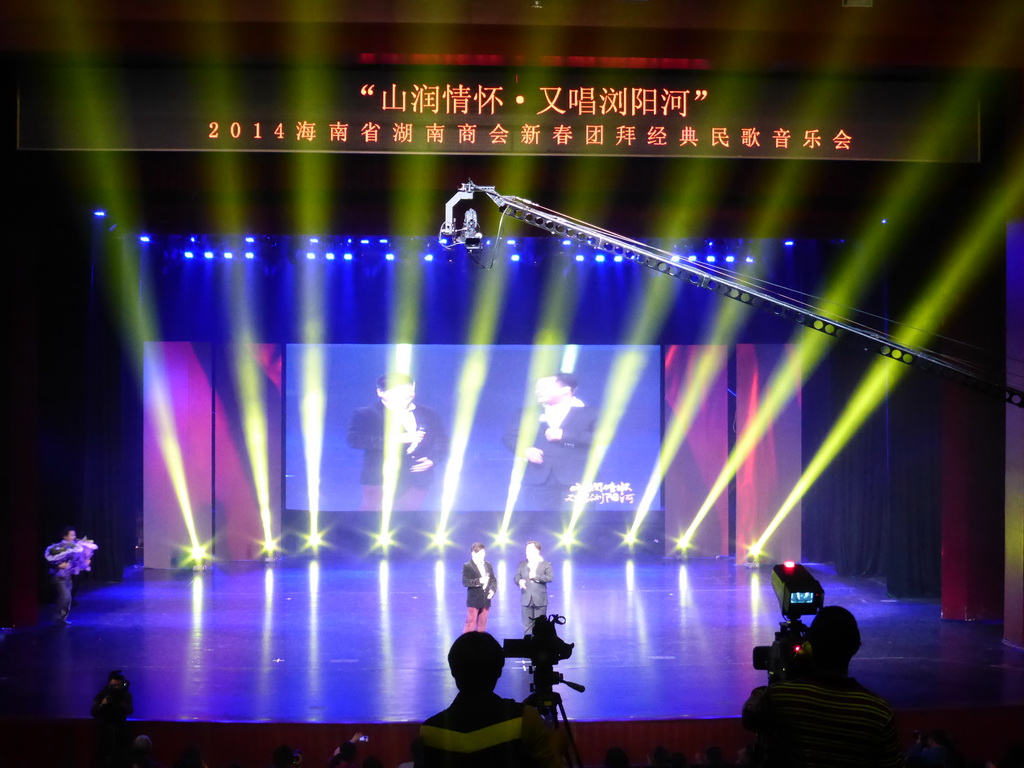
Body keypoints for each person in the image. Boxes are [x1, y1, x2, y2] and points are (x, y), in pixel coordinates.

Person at [741, 605, 901, 768]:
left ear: (809, 646)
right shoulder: (879, 712)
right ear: (854, 648)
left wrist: (769, 687)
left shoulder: (780, 697)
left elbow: (749, 716)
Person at [418, 631, 561, 768]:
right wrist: (556, 748)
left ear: (453, 671)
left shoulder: (430, 731)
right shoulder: (525, 721)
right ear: (499, 671)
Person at [348, 373, 449, 512]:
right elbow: (355, 440)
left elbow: (442, 440)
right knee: (372, 517)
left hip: (418, 477)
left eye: (409, 390)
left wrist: (433, 459)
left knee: (409, 518)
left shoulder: (429, 413)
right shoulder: (366, 414)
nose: (406, 394)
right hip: (380, 477)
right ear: (380, 392)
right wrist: (395, 439)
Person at [504, 373, 595, 511]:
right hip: (538, 480)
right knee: (536, 523)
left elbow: (603, 437)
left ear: (565, 389)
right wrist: (525, 450)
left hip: (577, 479)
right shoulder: (528, 413)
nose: (537, 391)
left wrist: (565, 435)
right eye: (537, 387)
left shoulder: (590, 413)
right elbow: (510, 437)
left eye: (543, 387)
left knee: (578, 524)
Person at [43, 526, 98, 624]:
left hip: (67, 576)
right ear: (65, 536)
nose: (74, 537)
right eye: (71, 535)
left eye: (74, 535)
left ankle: (62, 618)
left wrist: (85, 561)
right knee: (65, 596)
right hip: (58, 576)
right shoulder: (57, 547)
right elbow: (50, 560)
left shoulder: (76, 547)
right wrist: (58, 565)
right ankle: (56, 616)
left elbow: (77, 563)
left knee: (68, 598)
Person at [91, 670, 135, 768]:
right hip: (105, 733)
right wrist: (103, 704)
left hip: (120, 732)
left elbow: (129, 710)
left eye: (118, 685)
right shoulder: (103, 695)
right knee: (104, 758)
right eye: (114, 685)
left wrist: (121, 705)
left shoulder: (126, 696)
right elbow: (94, 712)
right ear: (109, 683)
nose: (116, 688)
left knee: (120, 757)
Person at [515, 540, 553, 636]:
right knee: (527, 627)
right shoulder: (522, 564)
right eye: (526, 550)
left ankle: (539, 648)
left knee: (540, 627)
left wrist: (536, 576)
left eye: (529, 550)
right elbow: (516, 576)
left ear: (537, 550)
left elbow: (549, 578)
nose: (527, 552)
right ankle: (528, 647)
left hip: (540, 600)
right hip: (526, 599)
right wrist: (519, 581)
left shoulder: (546, 564)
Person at [462, 543, 497, 633]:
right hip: (474, 600)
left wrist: (493, 590)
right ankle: (466, 644)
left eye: (483, 554)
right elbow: (465, 582)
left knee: (482, 625)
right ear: (473, 553)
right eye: (480, 554)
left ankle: (480, 645)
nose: (482, 556)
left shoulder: (487, 564)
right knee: (470, 624)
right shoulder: (468, 566)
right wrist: (479, 581)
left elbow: (493, 580)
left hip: (486, 599)